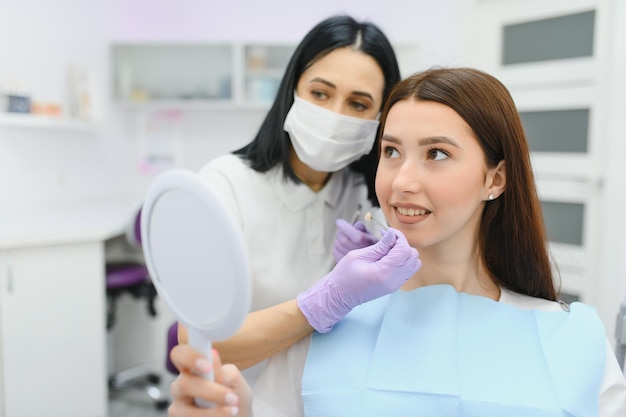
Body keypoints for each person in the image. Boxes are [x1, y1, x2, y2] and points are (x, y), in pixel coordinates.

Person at [169, 67, 626, 416]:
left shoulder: (573, 339)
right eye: (391, 152)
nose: (401, 181)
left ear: (496, 178)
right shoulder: (318, 339)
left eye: (437, 154)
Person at [174, 13, 402, 385]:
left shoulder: (370, 194)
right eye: (320, 93)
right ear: (292, 90)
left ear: (380, 118)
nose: (334, 116)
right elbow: (198, 340)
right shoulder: (224, 185)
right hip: (242, 400)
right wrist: (324, 302)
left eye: (358, 104)